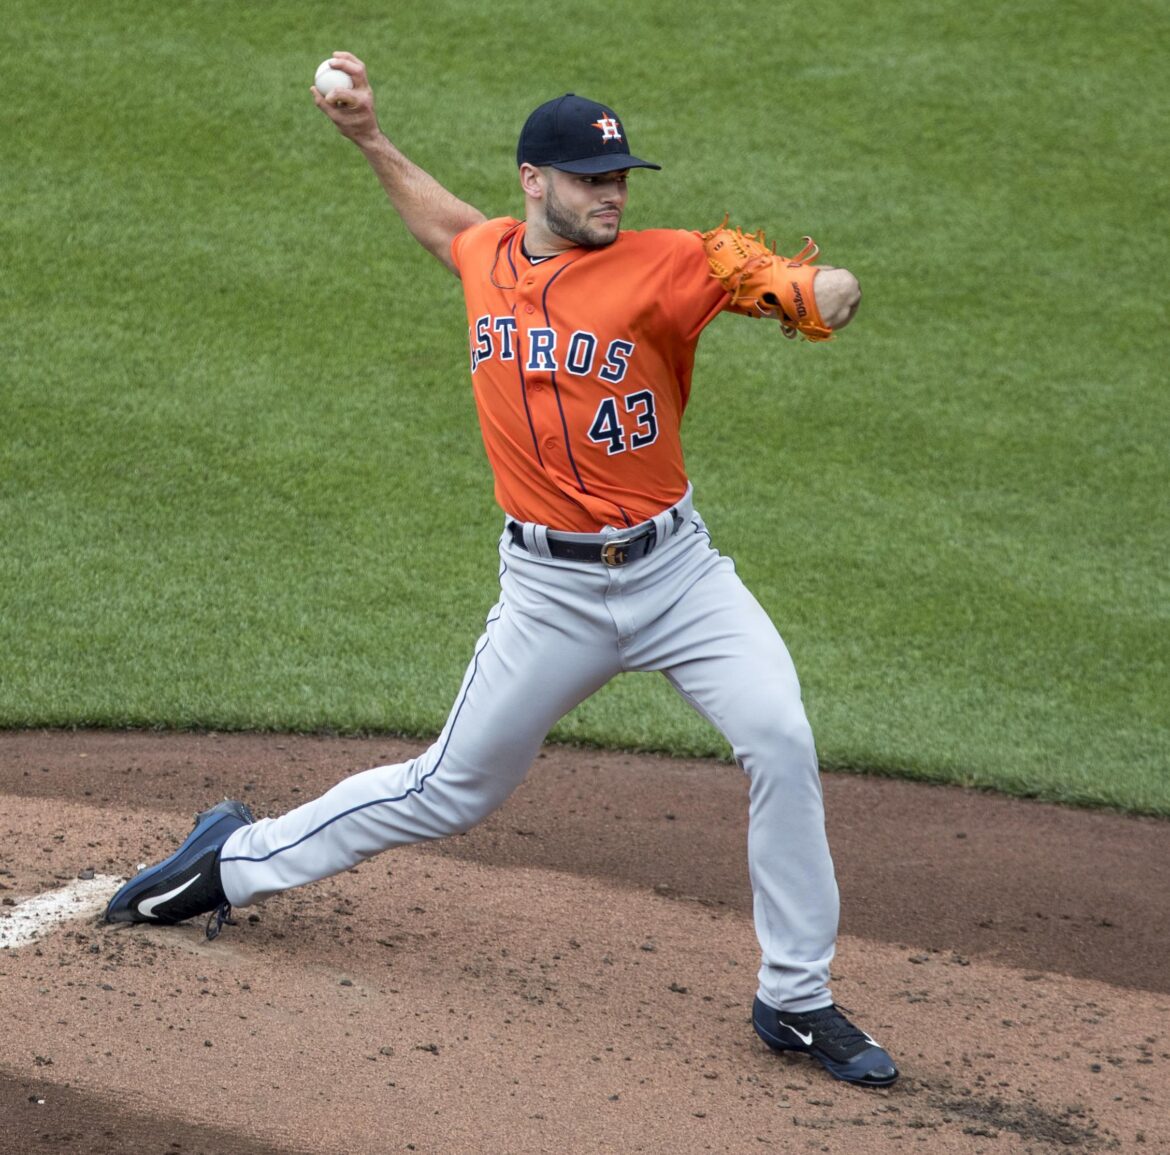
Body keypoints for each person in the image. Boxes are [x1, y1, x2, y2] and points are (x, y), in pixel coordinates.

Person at [105, 52, 896, 1088]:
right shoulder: (490, 255)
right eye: (590, 178)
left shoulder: (670, 264)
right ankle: (232, 861)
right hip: (551, 596)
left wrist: (817, 288)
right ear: (534, 181)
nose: (612, 193)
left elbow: (813, 290)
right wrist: (369, 138)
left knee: (781, 739)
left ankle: (793, 997)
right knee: (450, 789)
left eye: (620, 177)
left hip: (680, 578)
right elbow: (446, 226)